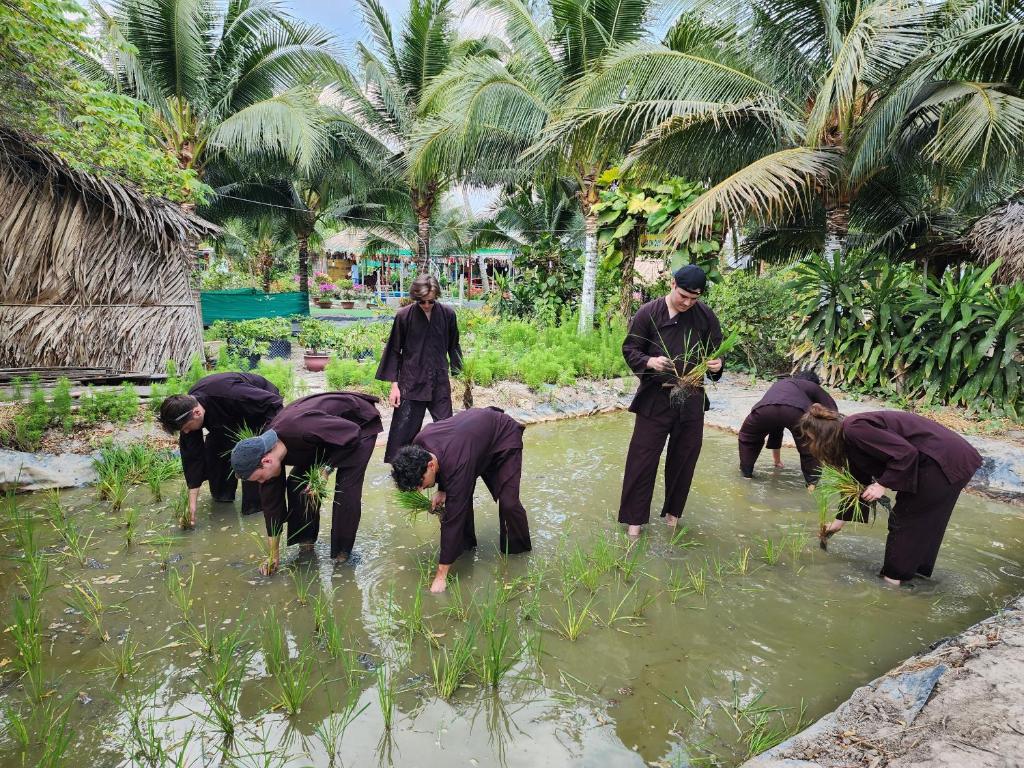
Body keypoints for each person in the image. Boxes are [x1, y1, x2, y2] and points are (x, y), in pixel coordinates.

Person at [800, 404, 983, 585]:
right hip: (951, 459)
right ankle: (916, 577)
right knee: (927, 523)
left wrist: (882, 484)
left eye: (811, 439)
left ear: (822, 435)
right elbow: (858, 484)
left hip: (941, 461)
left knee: (903, 521)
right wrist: (838, 523)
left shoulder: (854, 428)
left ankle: (892, 583)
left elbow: (905, 454)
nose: (811, 445)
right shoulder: (851, 440)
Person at [618, 264, 725, 537]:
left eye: (695, 298)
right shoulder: (648, 313)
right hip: (655, 398)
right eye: (684, 296)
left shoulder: (705, 316)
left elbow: (717, 352)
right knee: (642, 459)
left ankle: (673, 517)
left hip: (691, 399)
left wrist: (717, 365)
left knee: (685, 458)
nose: (688, 302)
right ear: (673, 285)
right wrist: (649, 361)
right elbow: (630, 348)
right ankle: (634, 522)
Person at [230, 392, 383, 575]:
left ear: (266, 461)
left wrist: (325, 470)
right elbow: (272, 506)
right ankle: (306, 542)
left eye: (260, 478)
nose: (262, 482)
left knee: (346, 490)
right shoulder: (266, 450)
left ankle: (342, 553)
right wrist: (273, 555)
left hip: (358, 427)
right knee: (299, 485)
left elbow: (352, 434)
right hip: (324, 439)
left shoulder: (300, 428)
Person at [390, 407, 532, 594]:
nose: (420, 489)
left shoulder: (457, 462)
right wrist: (442, 490)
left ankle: (519, 553)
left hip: (502, 438)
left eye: (420, 483)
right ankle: (466, 548)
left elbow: (453, 518)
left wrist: (441, 576)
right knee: (456, 497)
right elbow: (444, 462)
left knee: (508, 503)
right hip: (473, 444)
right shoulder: (420, 444)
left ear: (430, 465)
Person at [158, 372, 283, 525]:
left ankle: (255, 510)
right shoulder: (187, 409)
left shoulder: (230, 393)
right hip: (228, 420)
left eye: (186, 428)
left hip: (259, 411)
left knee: (250, 461)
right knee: (214, 451)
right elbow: (192, 456)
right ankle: (222, 496)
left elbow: (274, 403)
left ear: (197, 413)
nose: (186, 432)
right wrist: (192, 505)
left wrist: (269, 441)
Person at [376, 274, 463, 463]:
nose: (426, 305)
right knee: (402, 433)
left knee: (447, 430)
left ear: (436, 297)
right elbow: (394, 350)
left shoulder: (448, 315)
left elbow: (454, 346)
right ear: (415, 298)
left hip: (439, 381)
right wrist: (394, 386)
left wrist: (458, 376)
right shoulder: (404, 316)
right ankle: (399, 475)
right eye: (421, 301)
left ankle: (445, 474)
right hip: (411, 382)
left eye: (430, 301)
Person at [737, 370, 837, 486]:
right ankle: (812, 485)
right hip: (796, 412)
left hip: (763, 410)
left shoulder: (781, 384)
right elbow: (833, 413)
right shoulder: (813, 386)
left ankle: (746, 475)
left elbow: (776, 428)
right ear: (814, 383)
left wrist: (777, 461)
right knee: (808, 447)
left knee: (748, 438)